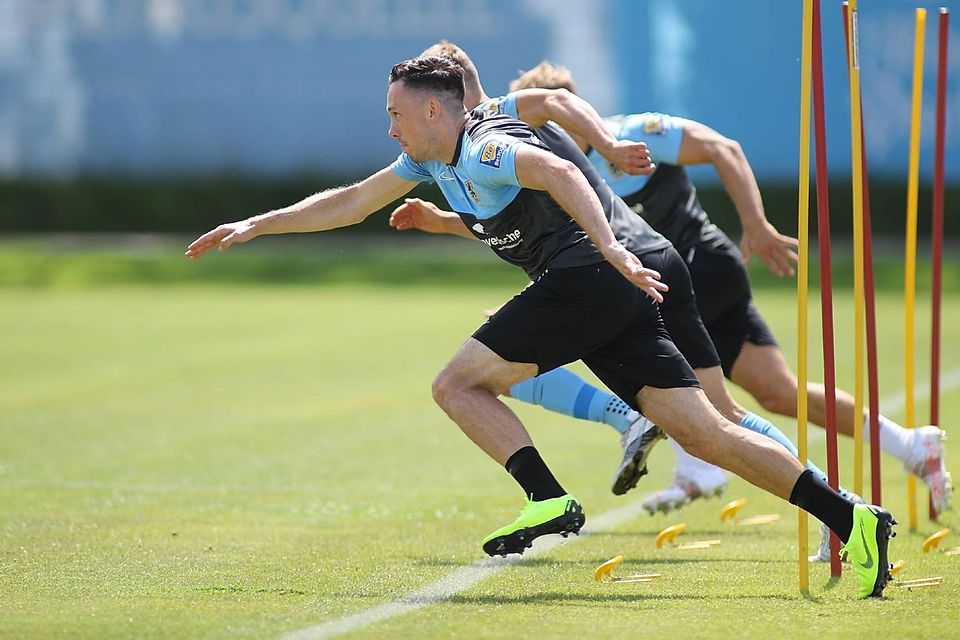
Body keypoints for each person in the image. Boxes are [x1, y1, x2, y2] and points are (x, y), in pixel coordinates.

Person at [186, 56, 895, 598]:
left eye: (396, 113)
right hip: (607, 284)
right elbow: (351, 202)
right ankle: (850, 515)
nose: (389, 127)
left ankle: (546, 498)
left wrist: (613, 246)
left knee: (457, 384)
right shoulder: (428, 158)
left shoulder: (482, 145)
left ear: (436, 112)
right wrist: (257, 224)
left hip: (590, 276)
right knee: (706, 430)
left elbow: (557, 168)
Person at [389, 42, 864, 563]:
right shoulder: (471, 144)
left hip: (637, 266)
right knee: (713, 422)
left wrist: (611, 145)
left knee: (722, 417)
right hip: (628, 268)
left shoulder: (502, 119)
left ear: (443, 92)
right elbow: (514, 215)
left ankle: (835, 505)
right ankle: (832, 508)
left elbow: (557, 114)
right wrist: (441, 221)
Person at [497, 60, 950, 518]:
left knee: (706, 406)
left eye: (535, 124)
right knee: (776, 393)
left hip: (697, 267)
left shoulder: (637, 133)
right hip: (659, 282)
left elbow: (723, 148)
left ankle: (828, 506)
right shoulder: (545, 170)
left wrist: (755, 225)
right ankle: (910, 444)